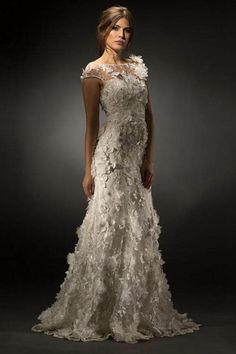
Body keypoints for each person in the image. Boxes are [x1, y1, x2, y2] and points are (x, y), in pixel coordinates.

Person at [31, 5, 202, 344]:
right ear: (103, 31)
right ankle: (99, 309)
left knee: (137, 229)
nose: (122, 35)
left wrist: (149, 160)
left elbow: (149, 117)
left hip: (136, 160)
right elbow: (91, 127)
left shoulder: (138, 68)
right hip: (110, 160)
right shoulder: (94, 74)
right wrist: (87, 170)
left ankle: (132, 308)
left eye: (127, 30)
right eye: (116, 29)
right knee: (109, 226)